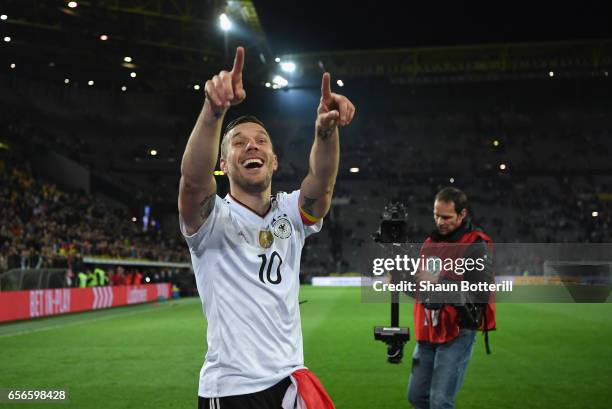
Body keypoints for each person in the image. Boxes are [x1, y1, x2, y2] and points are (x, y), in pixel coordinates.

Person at [178, 46, 355, 409]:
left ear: (273, 160)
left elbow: (320, 185)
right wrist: (214, 112)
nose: (251, 147)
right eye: (239, 144)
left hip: (289, 383)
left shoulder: (290, 214)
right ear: (224, 164)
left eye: (260, 141)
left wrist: (325, 132)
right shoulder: (212, 221)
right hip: (232, 390)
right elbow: (193, 183)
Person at [407, 187, 496, 409]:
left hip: (458, 331)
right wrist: (402, 281)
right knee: (416, 397)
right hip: (428, 331)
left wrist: (438, 282)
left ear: (462, 214)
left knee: (439, 402)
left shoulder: (476, 245)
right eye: (436, 215)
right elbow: (423, 290)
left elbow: (479, 292)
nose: (440, 221)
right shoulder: (430, 243)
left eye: (446, 217)